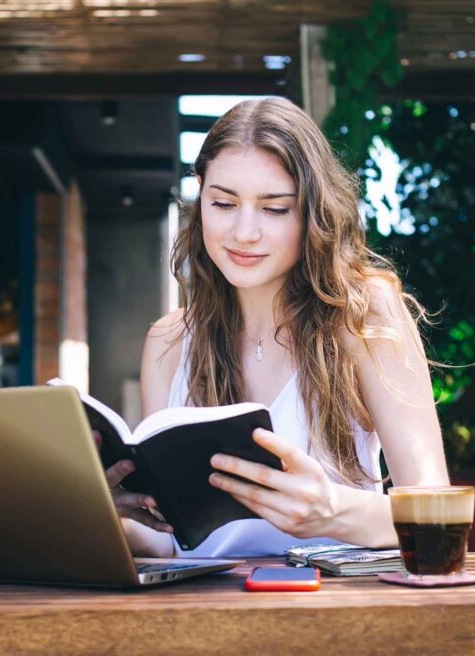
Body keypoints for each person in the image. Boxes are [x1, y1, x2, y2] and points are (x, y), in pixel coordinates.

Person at [102, 96, 449, 558]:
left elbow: (439, 516)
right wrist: (110, 515)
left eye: (275, 209)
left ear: (313, 212)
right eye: (223, 203)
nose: (244, 233)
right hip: (203, 616)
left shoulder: (363, 315)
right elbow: (174, 542)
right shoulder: (170, 342)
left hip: (335, 614)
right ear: (200, 196)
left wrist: (333, 511)